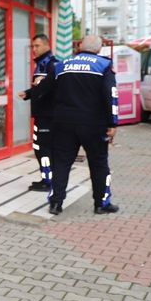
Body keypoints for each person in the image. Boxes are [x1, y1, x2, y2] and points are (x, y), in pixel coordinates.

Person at [31, 34, 119, 215]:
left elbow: (45, 87)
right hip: (94, 125)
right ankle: (101, 203)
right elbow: (111, 95)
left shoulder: (62, 65)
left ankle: (55, 204)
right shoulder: (103, 65)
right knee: (99, 164)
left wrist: (28, 92)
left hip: (63, 124)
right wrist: (113, 123)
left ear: (80, 47)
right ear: (99, 49)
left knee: (61, 163)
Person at [17, 34, 57, 192]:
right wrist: (28, 93)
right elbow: (41, 88)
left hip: (48, 115)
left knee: (43, 148)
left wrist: (34, 89)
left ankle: (49, 181)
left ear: (47, 45)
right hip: (42, 115)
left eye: (37, 46)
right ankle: (46, 179)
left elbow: (50, 88)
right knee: (40, 148)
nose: (34, 49)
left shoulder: (52, 64)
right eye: (33, 46)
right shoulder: (41, 64)